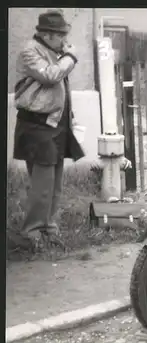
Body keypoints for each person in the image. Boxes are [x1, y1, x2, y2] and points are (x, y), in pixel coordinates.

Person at [12, 10, 84, 250]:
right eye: (61, 35)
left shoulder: (54, 52)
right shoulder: (30, 51)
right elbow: (51, 77)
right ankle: (30, 234)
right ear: (47, 34)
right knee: (42, 185)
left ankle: (49, 229)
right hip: (37, 125)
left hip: (56, 124)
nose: (64, 40)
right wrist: (70, 57)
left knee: (55, 184)